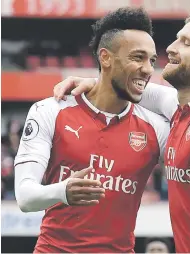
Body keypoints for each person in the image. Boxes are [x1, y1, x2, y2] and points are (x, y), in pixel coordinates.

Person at [53, 7, 190, 253]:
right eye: (177, 38)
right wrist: (97, 85)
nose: (172, 47)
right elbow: (147, 93)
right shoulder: (179, 107)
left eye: (186, 43)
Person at [14, 7, 169, 253]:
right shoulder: (50, 111)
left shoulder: (157, 128)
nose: (149, 69)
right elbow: (25, 197)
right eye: (138, 57)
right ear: (105, 57)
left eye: (152, 60)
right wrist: (62, 191)